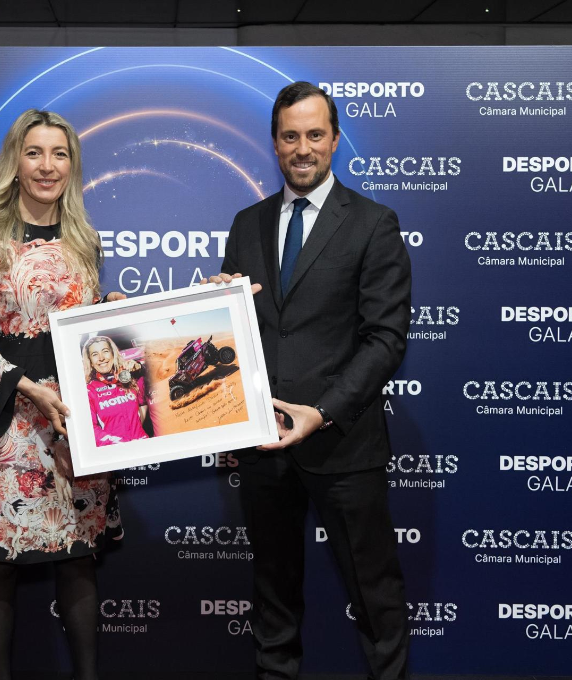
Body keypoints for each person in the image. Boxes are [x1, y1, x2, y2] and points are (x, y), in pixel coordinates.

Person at [207, 82, 412, 679]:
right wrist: (211, 310)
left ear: (335, 140)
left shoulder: (373, 223)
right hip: (263, 444)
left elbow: (385, 339)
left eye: (315, 135)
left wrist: (320, 412)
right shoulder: (247, 223)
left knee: (374, 593)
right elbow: (233, 333)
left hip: (343, 445)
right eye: (290, 136)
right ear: (274, 143)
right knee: (272, 595)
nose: (303, 148)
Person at [0, 109, 123, 680]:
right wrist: (25, 389)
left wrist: (115, 314)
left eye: (60, 154)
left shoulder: (84, 240)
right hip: (11, 424)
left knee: (78, 558)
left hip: (75, 423)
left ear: (73, 165)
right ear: (15, 163)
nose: (48, 166)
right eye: (35, 153)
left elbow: (81, 325)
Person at [82, 335, 149, 446]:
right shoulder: (89, 391)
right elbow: (91, 430)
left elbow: (146, 401)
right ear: (90, 361)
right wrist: (119, 444)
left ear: (113, 354)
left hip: (143, 444)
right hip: (116, 449)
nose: (101, 358)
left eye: (105, 351)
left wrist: (140, 369)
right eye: (95, 354)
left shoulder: (128, 377)